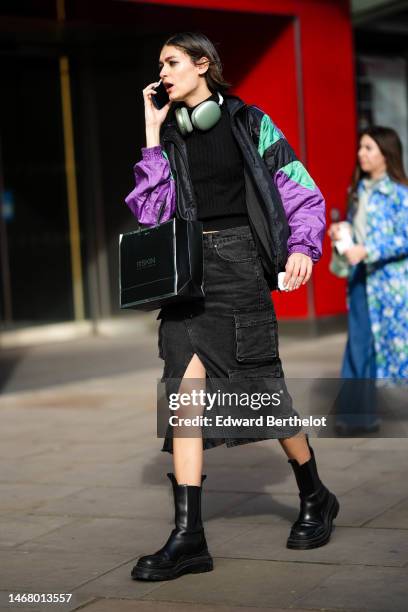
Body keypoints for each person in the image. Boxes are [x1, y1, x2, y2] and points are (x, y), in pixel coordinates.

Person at [125, 31, 339, 582]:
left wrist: (301, 247)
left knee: (262, 390)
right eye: (160, 64)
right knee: (183, 400)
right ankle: (189, 537)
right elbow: (152, 216)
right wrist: (151, 135)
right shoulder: (169, 133)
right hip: (187, 278)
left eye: (172, 63)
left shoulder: (249, 122)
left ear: (203, 65)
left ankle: (314, 492)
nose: (163, 73)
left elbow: (297, 185)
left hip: (240, 266)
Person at [329, 127, 408, 436]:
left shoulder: (399, 194)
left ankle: (356, 416)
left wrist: (369, 250)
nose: (361, 153)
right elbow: (360, 236)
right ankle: (355, 416)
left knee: (376, 347)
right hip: (361, 280)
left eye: (368, 148)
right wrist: (343, 236)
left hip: (389, 286)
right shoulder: (359, 190)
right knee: (359, 346)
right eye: (360, 147)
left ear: (386, 155)